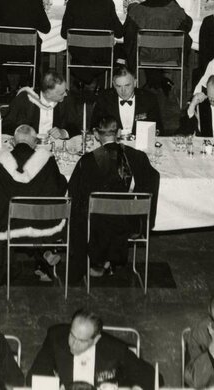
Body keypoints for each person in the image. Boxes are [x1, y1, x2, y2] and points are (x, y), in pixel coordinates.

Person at [67, 117, 160, 285]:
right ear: (119, 133)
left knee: (79, 211)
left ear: (96, 135)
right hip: (128, 221)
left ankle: (95, 259)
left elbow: (74, 192)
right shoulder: (138, 156)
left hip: (97, 223)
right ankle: (109, 258)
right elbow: (153, 179)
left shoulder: (87, 161)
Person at [0, 124, 68, 284]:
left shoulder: (0, 159)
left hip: (8, 223)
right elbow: (59, 186)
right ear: (35, 142)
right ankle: (45, 254)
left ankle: (7, 270)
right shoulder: (47, 159)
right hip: (42, 223)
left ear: (13, 141)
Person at [31, 308, 155, 388]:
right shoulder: (56, 337)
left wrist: (128, 388)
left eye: (82, 341)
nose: (73, 344)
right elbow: (34, 374)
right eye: (72, 336)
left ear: (95, 339)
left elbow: (151, 377)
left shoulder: (115, 348)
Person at [61, 0, 124, 86]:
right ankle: (102, 83)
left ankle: (81, 78)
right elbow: (119, 32)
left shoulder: (72, 3)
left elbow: (64, 34)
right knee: (119, 49)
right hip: (102, 54)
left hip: (79, 53)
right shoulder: (107, 3)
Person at [123, 0, 192, 83]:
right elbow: (188, 25)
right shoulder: (174, 8)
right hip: (171, 54)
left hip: (144, 55)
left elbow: (126, 32)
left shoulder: (136, 10)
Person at [1, 71, 83, 137]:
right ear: (48, 94)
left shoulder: (67, 99)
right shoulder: (25, 98)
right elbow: (5, 125)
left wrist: (63, 132)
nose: (65, 94)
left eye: (65, 90)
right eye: (61, 93)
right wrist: (24, 132)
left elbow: (76, 126)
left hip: (55, 145)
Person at [91, 67, 162, 133]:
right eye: (119, 86)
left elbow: (158, 129)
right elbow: (94, 127)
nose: (123, 91)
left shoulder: (149, 99)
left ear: (135, 83)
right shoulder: (104, 99)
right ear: (114, 85)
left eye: (127, 85)